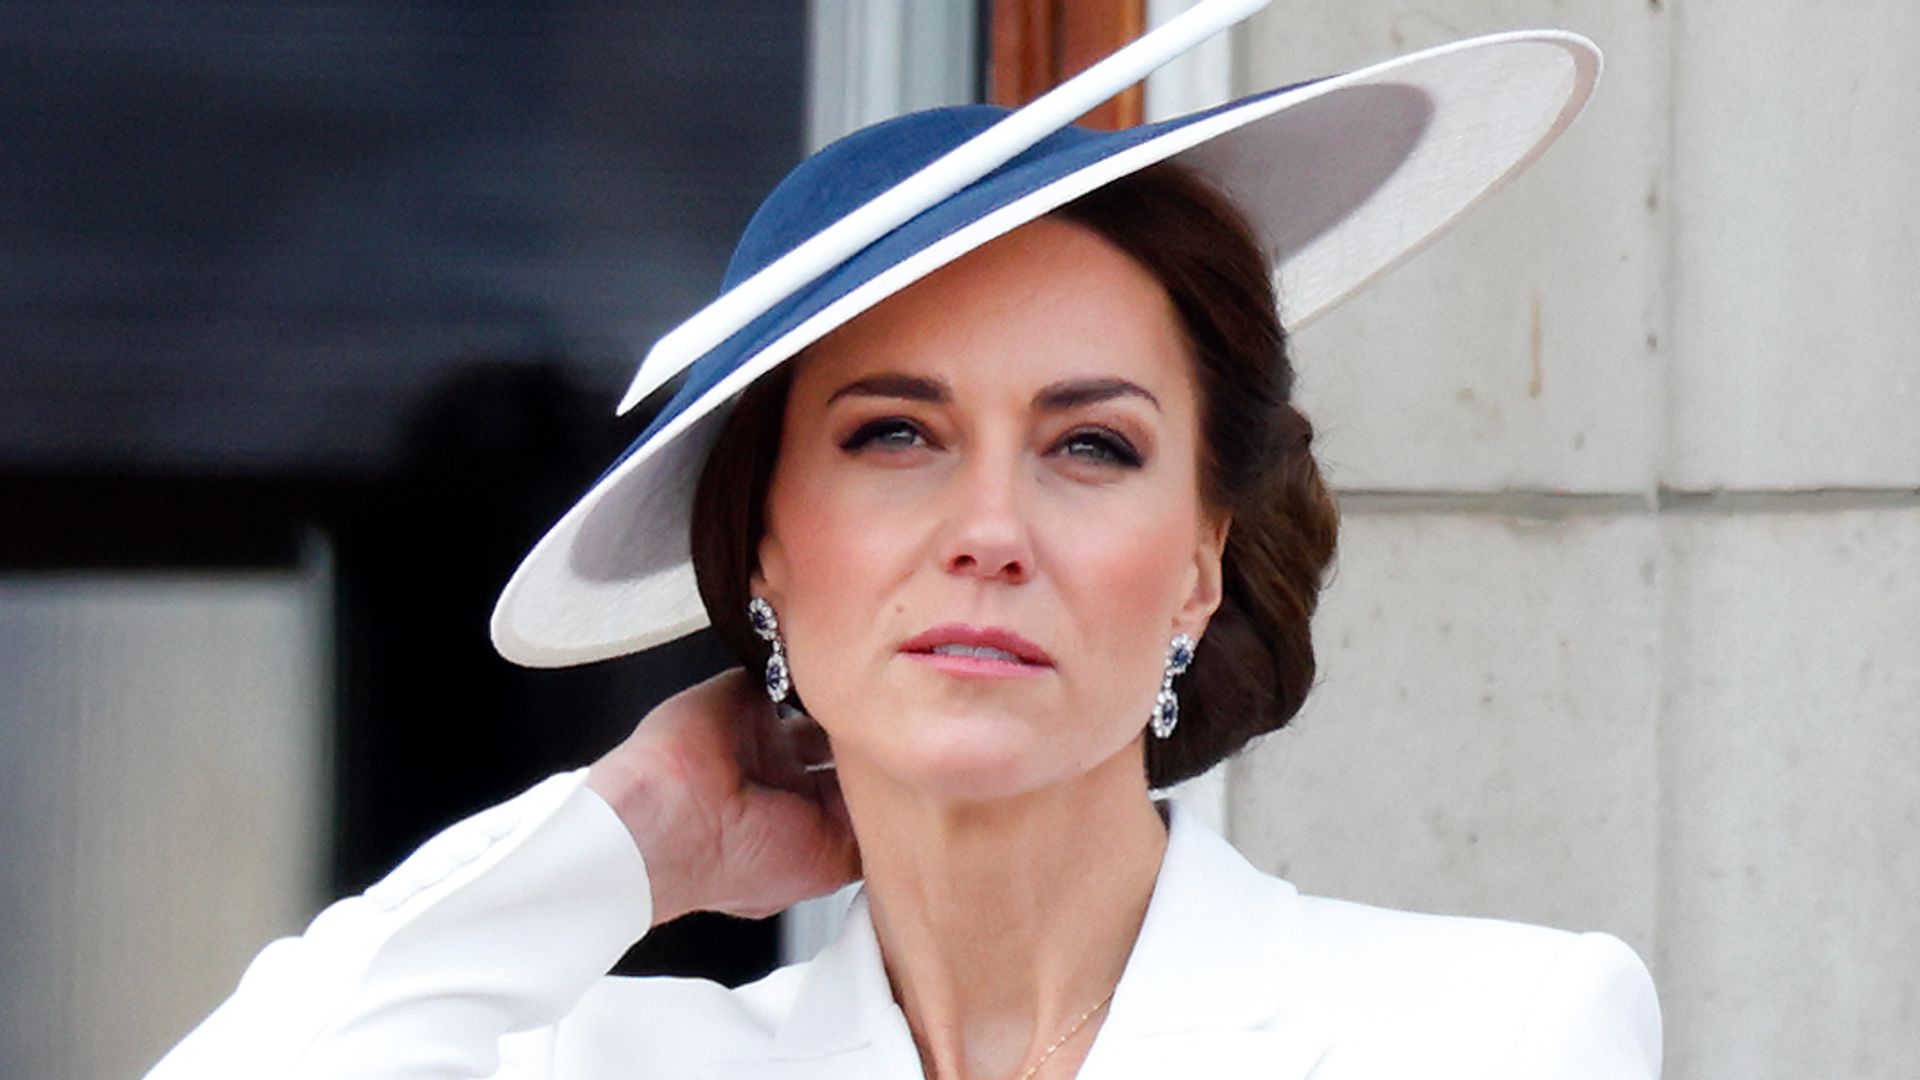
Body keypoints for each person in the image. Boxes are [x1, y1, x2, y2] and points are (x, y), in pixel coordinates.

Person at [147, 13, 1659, 1080]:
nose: (990, 532)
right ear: (760, 551)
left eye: (1090, 446)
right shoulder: (598, 1061)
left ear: (1200, 557)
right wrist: (631, 832)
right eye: (894, 436)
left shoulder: (1490, 1037)